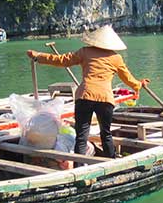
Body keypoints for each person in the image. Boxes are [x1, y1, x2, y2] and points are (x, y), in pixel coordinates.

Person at [27, 25, 148, 158]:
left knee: (81, 136)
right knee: (106, 134)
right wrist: (139, 85)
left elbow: (62, 60)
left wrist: (38, 56)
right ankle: (110, 162)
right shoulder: (116, 58)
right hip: (105, 99)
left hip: (85, 96)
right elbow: (128, 79)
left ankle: (80, 168)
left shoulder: (85, 52)